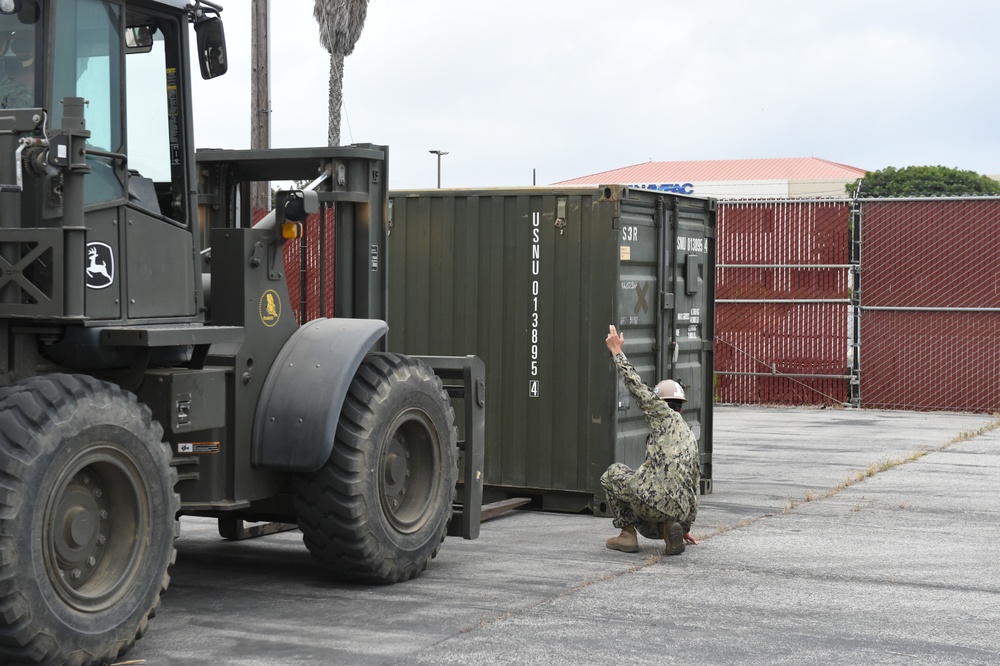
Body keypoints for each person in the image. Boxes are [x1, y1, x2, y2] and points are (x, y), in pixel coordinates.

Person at [600, 324, 700, 556]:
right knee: (652, 488)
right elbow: (694, 484)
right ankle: (670, 529)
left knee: (613, 474)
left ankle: (627, 536)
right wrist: (686, 526)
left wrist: (617, 352)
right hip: (681, 511)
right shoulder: (688, 435)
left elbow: (637, 388)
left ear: (661, 404)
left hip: (654, 504)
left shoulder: (662, 414)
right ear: (681, 408)